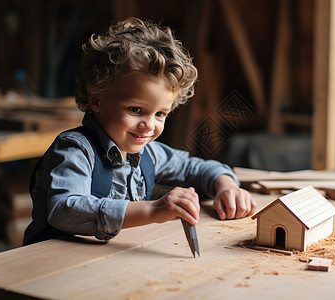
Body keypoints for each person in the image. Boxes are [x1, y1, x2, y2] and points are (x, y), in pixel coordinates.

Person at [23, 18, 256, 245]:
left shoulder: (148, 153)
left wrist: (226, 186)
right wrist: (153, 209)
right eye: (136, 110)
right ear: (96, 100)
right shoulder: (75, 149)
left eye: (160, 114)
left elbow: (192, 167)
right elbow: (65, 209)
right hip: (50, 269)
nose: (149, 125)